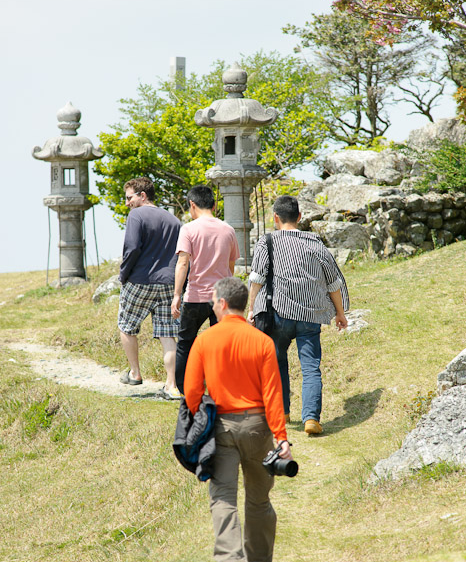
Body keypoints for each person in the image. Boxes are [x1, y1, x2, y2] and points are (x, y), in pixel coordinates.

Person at [184, 277, 292, 562]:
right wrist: (281, 438)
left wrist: (197, 423)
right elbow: (274, 395)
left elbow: (192, 392)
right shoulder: (261, 342)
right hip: (258, 427)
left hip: (221, 427)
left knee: (223, 497)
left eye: (213, 302)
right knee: (258, 500)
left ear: (221, 303)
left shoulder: (206, 340)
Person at [248, 195, 349, 435]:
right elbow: (333, 282)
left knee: (278, 362)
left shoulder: (267, 241)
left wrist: (252, 309)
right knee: (311, 367)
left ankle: (282, 412)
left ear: (275, 217)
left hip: (277, 314)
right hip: (310, 316)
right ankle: (311, 418)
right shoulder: (316, 243)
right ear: (300, 217)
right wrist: (340, 313)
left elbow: (257, 279)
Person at [171, 185, 240, 393]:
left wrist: (176, 295)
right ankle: (221, 387)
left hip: (195, 296)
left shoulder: (189, 229)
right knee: (221, 345)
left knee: (186, 342)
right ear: (214, 204)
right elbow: (231, 266)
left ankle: (186, 389)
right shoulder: (228, 229)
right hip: (221, 298)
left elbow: (182, 263)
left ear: (192, 205)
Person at [118, 176, 182, 399]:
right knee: (168, 335)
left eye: (129, 198)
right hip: (169, 283)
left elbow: (132, 248)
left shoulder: (136, 215)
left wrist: (123, 274)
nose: (128, 203)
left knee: (126, 326)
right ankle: (171, 386)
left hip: (140, 280)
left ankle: (135, 372)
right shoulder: (174, 220)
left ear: (142, 195)